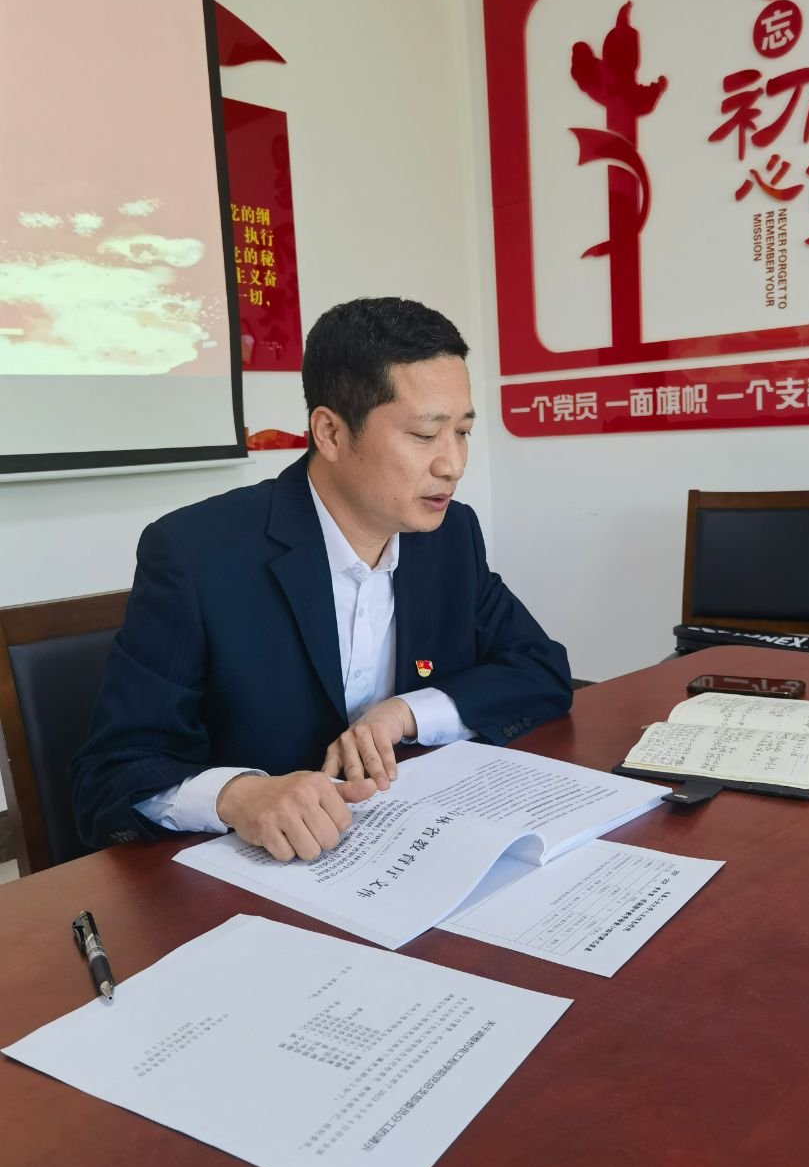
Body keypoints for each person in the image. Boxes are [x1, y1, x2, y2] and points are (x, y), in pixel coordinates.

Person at [73, 297, 572, 862]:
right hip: (255, 872)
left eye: (463, 432)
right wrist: (238, 795)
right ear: (330, 432)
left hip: (403, 847)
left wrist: (406, 713)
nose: (453, 464)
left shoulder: (449, 535)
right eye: (425, 435)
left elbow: (540, 669)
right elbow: (109, 775)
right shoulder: (197, 554)